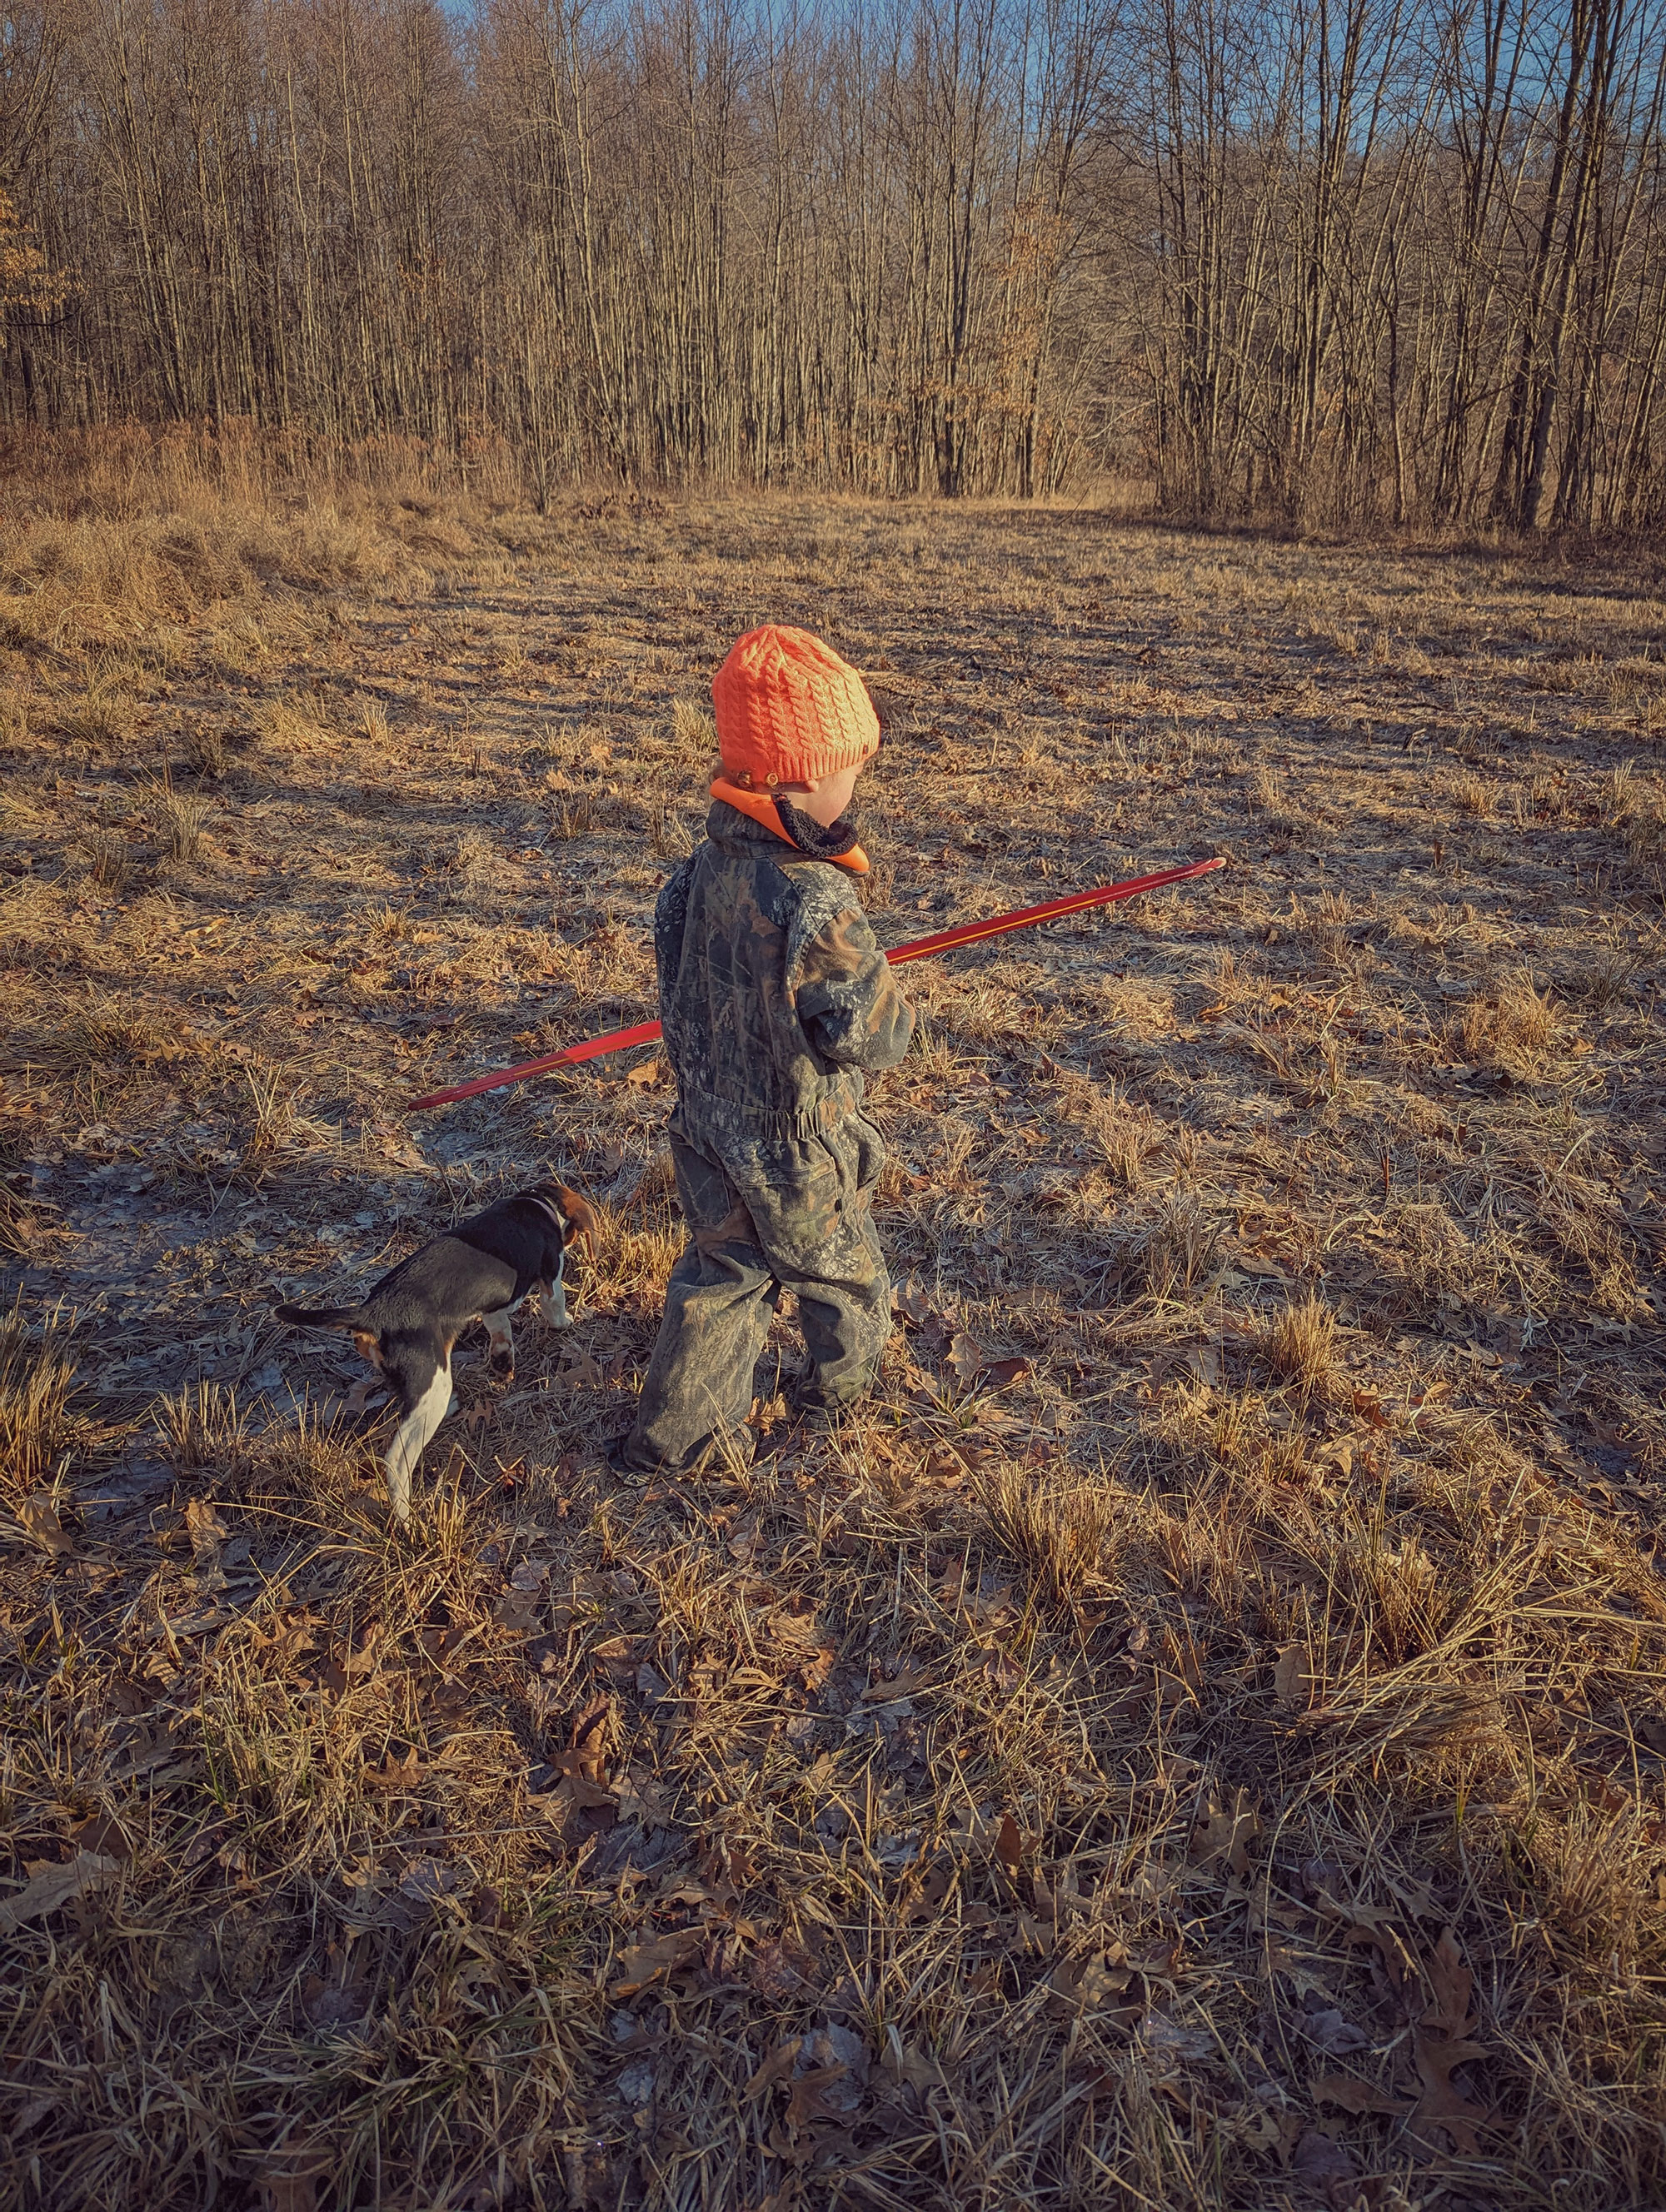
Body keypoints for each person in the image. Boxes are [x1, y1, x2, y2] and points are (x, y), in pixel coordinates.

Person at [607, 625, 915, 1476]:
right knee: (843, 1275)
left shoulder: (696, 871)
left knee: (721, 1275)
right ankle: (840, 1399)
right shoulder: (815, 899)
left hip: (706, 1125)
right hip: (797, 1145)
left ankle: (677, 1443)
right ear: (801, 775)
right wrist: (882, 988)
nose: (856, 786)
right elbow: (874, 1037)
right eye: (851, 768)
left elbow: (681, 984)